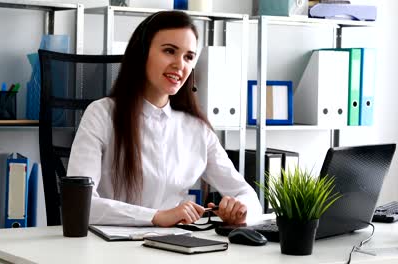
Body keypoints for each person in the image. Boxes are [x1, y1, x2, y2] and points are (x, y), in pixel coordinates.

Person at [66, 10, 262, 227]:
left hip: (173, 246)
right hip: (107, 248)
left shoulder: (197, 129)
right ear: (142, 54)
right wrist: (156, 216)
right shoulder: (102, 115)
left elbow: (247, 196)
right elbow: (80, 204)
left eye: (188, 57)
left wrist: (240, 211)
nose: (180, 65)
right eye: (170, 51)